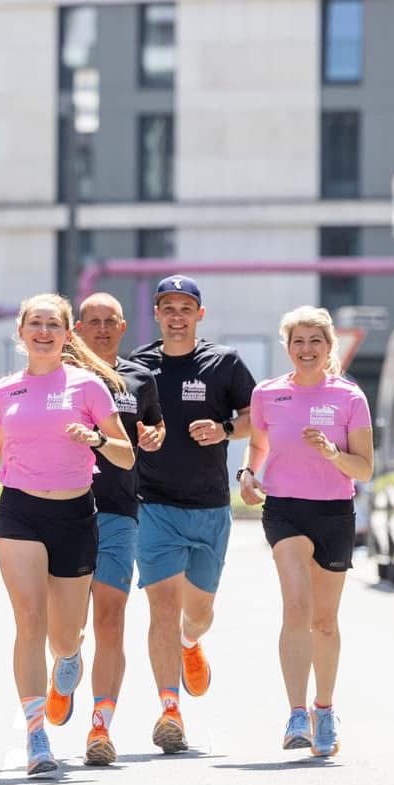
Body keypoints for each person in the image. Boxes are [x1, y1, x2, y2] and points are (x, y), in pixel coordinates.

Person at [0, 293, 135, 777]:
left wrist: (97, 439)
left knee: (62, 634)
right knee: (28, 618)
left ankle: (70, 655)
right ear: (21, 333)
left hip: (76, 514)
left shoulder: (89, 387)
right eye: (34, 324)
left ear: (67, 335)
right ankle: (36, 734)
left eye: (52, 325)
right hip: (19, 512)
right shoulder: (4, 392)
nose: (43, 332)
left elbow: (126, 455)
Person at [129, 276, 256, 754]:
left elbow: (254, 415)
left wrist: (224, 429)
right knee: (160, 606)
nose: (176, 315)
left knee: (197, 612)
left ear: (199, 314)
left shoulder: (223, 363)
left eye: (186, 307)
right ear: (157, 314)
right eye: (168, 307)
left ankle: (189, 642)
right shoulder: (139, 366)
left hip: (209, 507)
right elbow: (118, 421)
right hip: (154, 504)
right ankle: (169, 710)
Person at [238, 306, 373, 757]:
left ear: (329, 346)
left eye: (315, 340)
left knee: (324, 621)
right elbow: (258, 444)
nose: (307, 349)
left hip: (334, 510)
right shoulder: (268, 394)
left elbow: (365, 469)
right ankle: (297, 713)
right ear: (288, 347)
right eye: (298, 341)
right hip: (285, 509)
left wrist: (333, 452)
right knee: (296, 604)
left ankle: (324, 709)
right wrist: (247, 474)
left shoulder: (349, 397)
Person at [73, 293, 165, 765]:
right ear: (78, 327)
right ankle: (66, 661)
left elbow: (155, 427)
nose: (103, 328)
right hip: (63, 513)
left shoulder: (139, 378)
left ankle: (100, 726)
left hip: (119, 511)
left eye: (111, 321)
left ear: (123, 327)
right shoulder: (60, 377)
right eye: (94, 321)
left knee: (110, 621)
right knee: (64, 630)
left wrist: (153, 435)